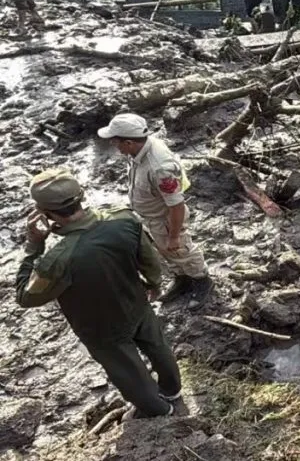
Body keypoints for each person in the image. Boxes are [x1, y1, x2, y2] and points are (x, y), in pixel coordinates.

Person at [15, 169, 181, 418]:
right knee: (158, 347)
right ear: (80, 197)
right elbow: (149, 259)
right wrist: (154, 284)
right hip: (136, 301)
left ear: (44, 213)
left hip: (100, 326)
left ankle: (158, 411)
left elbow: (25, 298)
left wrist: (33, 247)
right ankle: (173, 390)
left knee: (127, 371)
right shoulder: (123, 218)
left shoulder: (57, 259)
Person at [97, 114, 213, 306]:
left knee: (182, 250)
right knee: (165, 251)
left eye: (115, 141)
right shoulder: (137, 150)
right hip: (151, 217)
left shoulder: (160, 168)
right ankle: (182, 279)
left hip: (165, 219)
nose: (113, 144)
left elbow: (176, 205)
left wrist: (174, 235)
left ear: (128, 142)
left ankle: (202, 281)